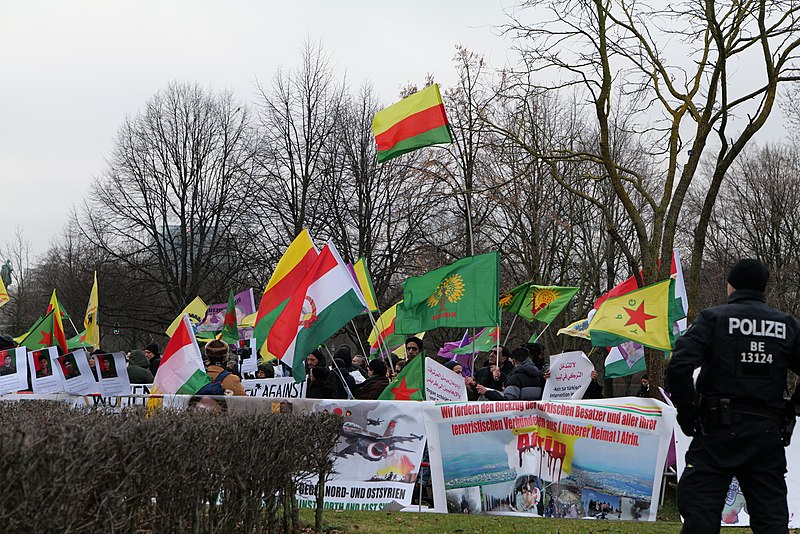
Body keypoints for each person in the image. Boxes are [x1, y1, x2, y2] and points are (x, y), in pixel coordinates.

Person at [666, 258, 800, 533]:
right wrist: (791, 410)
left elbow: (679, 367)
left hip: (716, 432)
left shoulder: (713, 319)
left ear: (731, 286)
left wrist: (689, 414)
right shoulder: (787, 325)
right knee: (771, 519)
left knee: (701, 513)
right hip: (766, 434)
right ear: (764, 288)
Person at [477, 346, 544, 401]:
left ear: (513, 361)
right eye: (491, 352)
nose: (491, 355)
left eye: (496, 353)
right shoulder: (540, 376)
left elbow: (508, 402)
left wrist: (486, 392)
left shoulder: (515, 378)